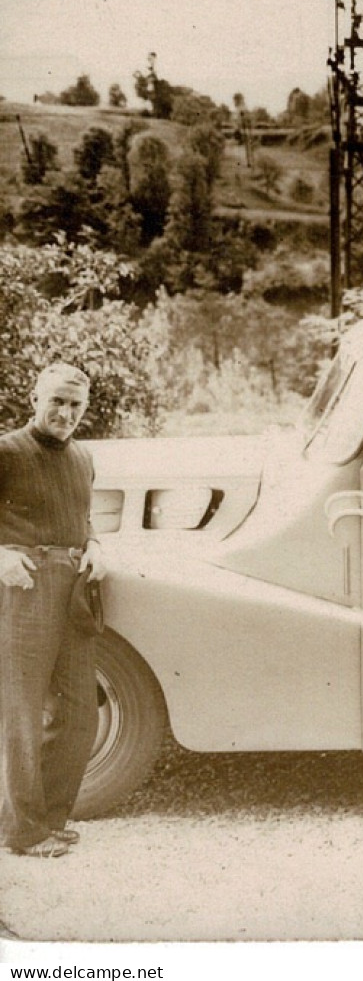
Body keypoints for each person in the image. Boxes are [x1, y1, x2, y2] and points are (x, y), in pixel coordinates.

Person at [0, 363, 106, 858]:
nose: (65, 413)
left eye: (75, 405)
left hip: (73, 591)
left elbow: (83, 519)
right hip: (25, 589)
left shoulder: (83, 457)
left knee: (81, 712)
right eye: (57, 402)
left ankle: (50, 817)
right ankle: (23, 831)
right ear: (35, 397)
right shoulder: (7, 451)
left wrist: (97, 545)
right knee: (19, 713)